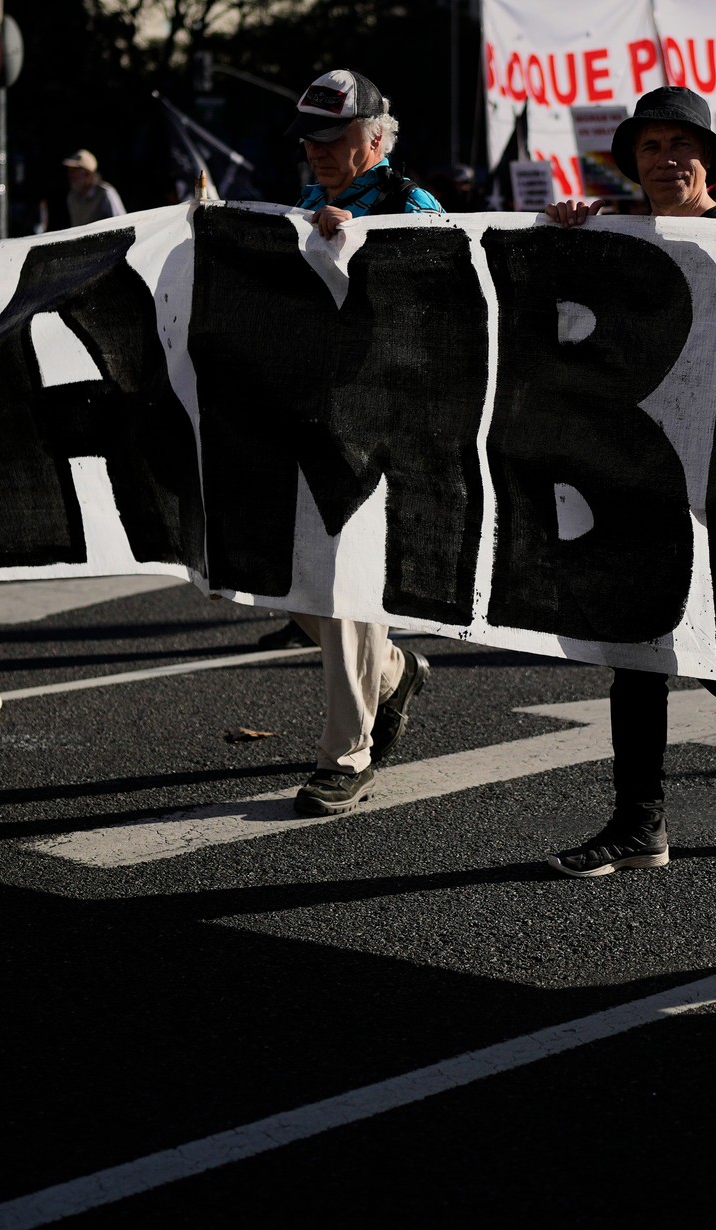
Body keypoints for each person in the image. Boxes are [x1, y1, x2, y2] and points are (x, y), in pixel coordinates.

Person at [541, 84, 716, 877]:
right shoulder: (615, 233)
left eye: (680, 145)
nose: (666, 160)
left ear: (710, 159)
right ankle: (641, 822)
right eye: (649, 148)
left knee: (697, 636)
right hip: (634, 464)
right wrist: (565, 238)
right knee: (637, 635)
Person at [279, 69, 439, 814]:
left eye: (331, 137)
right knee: (262, 574)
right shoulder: (301, 201)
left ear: (374, 139)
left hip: (377, 431)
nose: (314, 150)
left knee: (346, 590)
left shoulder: (414, 205)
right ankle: (393, 672)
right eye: (308, 137)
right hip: (300, 416)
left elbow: (442, 315)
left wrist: (365, 254)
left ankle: (347, 754)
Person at [62, 150, 125, 228]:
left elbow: (121, 224)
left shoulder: (105, 193)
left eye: (75, 171)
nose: (71, 175)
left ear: (87, 175)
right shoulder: (72, 197)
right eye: (70, 171)